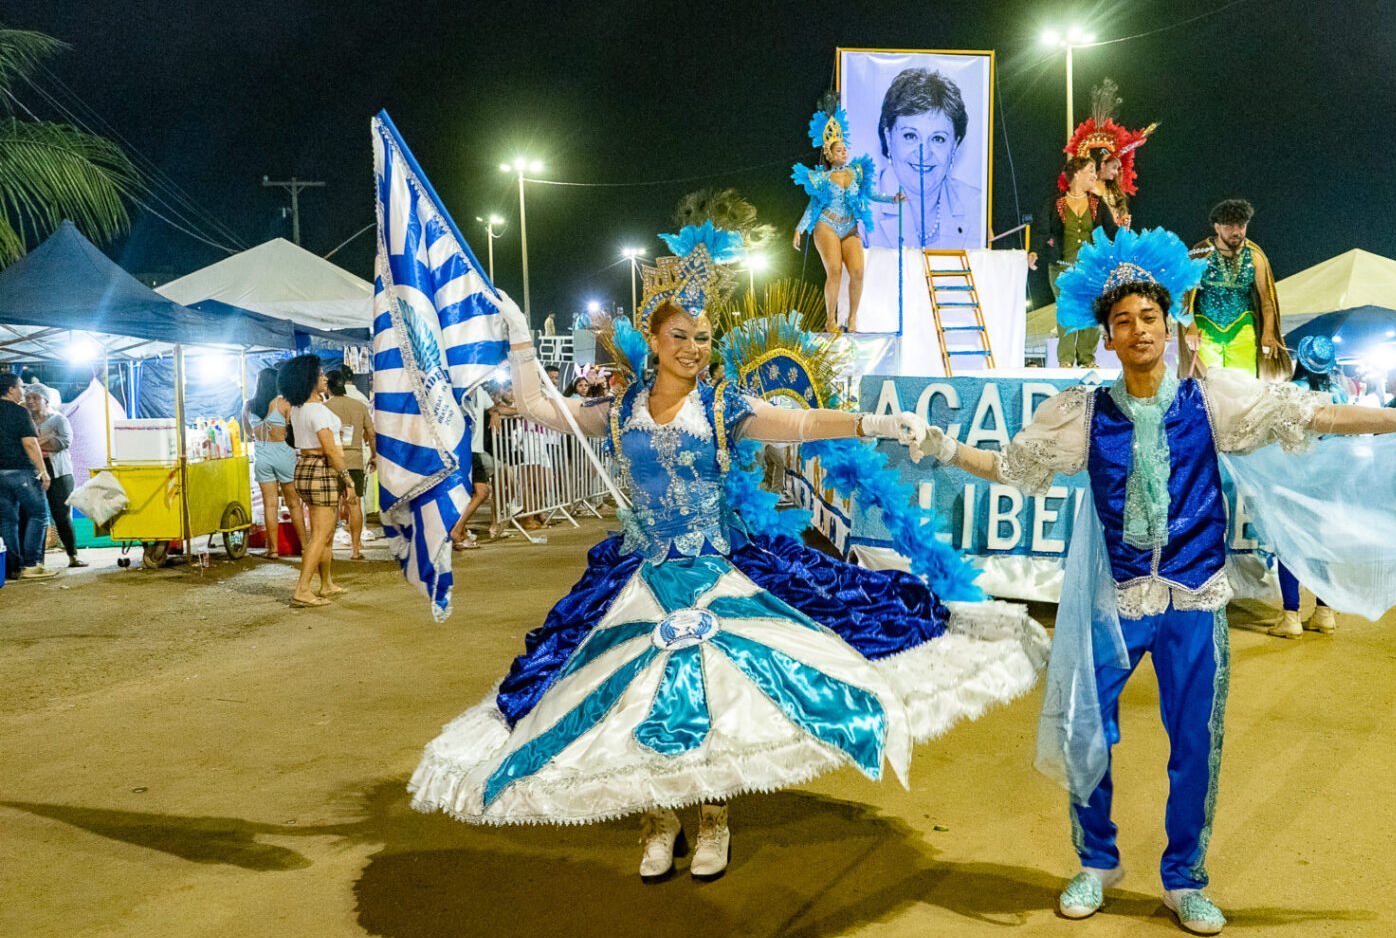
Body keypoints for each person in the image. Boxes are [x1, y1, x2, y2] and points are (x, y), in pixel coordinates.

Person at [901, 226, 1396, 935]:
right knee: (1084, 730)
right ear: (1108, 337)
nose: (1139, 330)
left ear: (1169, 327)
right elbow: (1012, 468)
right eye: (1124, 321)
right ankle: (1097, 862)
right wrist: (945, 445)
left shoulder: (1212, 398)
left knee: (1194, 742)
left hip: (1195, 601)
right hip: (1115, 602)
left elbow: (1316, 414)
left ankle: (1184, 878)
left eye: (1149, 317)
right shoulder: (1082, 413)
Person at [409, 223, 1045, 883]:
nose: (693, 348)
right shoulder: (619, 408)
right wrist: (519, 336)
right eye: (680, 336)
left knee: (714, 689)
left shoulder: (721, 405)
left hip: (718, 566)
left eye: (703, 337)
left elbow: (800, 423)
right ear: (654, 339)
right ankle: (659, 818)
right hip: (638, 572)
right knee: (630, 695)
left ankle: (714, 816)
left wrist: (875, 422)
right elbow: (539, 406)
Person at [791, 93, 904, 333]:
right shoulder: (821, 178)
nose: (844, 152)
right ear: (829, 154)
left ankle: (852, 319)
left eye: (845, 149)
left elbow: (871, 194)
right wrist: (799, 228)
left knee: (858, 272)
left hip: (850, 227)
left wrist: (893, 199)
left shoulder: (857, 172)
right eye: (839, 150)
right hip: (827, 225)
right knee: (835, 271)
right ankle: (830, 320)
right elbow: (813, 206)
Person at [1267, 336, 1347, 638]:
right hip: (1329, 478)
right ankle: (1324, 613)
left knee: (1288, 543)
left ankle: (1291, 615)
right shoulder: (1339, 393)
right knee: (1320, 543)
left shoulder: (1290, 392)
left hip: (1294, 476)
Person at [866, 68, 981, 249]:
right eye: (910, 136)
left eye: (938, 139)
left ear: (954, 145)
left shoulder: (976, 206)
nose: (924, 153)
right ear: (888, 137)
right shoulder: (860, 206)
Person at [280, 355, 356, 607]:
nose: (325, 378)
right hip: (322, 470)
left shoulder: (299, 408)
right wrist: (347, 479)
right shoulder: (317, 410)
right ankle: (303, 589)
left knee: (325, 532)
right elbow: (330, 449)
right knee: (321, 534)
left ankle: (326, 584)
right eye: (320, 374)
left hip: (305, 467)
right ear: (309, 379)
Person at [1030, 156, 1119, 368]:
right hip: (1062, 267)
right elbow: (1042, 231)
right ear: (1077, 174)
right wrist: (1033, 251)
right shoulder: (1056, 203)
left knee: (1091, 311)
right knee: (1067, 309)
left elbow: (1112, 231)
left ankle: (1087, 358)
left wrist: (1131, 244)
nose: (1095, 175)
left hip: (1091, 269)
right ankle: (1066, 359)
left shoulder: (1097, 204)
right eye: (1091, 170)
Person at [1182, 199, 1285, 378]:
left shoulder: (1256, 256)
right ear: (1217, 227)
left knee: (1244, 384)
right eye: (1229, 226)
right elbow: (1184, 294)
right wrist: (1190, 326)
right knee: (1210, 385)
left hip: (1243, 329)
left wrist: (1268, 333)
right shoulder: (1200, 253)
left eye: (1242, 226)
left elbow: (1267, 300)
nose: (1236, 232)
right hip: (1204, 330)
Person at [1065, 78, 1157, 228]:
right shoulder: (1087, 188)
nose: (1115, 173)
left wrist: (1124, 223)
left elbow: (1121, 219)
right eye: (1114, 167)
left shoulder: (1114, 191)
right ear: (1102, 164)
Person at [244, 367, 309, 560]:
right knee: (293, 503)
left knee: (269, 505)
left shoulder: (248, 405)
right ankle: (305, 547)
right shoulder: (284, 403)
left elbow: (248, 432)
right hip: (284, 455)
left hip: (262, 456)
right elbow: (293, 429)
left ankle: (273, 550)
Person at [0, 371, 56, 581]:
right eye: (21, 387)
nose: (22, 391)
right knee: (39, 514)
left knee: (7, 520)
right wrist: (43, 472)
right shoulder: (19, 412)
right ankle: (31, 564)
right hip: (21, 471)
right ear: (11, 389)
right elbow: (30, 444)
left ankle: (12, 567)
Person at [23, 383, 84, 568]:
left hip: (60, 472)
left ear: (46, 400)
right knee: (37, 517)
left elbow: (63, 443)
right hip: (35, 473)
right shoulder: (25, 421)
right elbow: (22, 445)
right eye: (28, 398)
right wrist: (48, 437)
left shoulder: (58, 420)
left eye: (35, 398)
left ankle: (73, 556)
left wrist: (34, 444)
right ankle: (37, 561)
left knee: (62, 515)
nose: (31, 401)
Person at [325, 370, 375, 561]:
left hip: (331, 462)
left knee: (331, 507)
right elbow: (371, 434)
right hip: (355, 461)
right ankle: (355, 549)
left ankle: (328, 550)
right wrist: (374, 456)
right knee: (355, 504)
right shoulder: (359, 405)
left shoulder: (324, 408)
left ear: (328, 387)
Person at [450, 382, 493, 550]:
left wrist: (495, 412)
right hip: (462, 450)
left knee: (477, 493)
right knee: (480, 492)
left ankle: (460, 531)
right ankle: (458, 531)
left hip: (473, 450)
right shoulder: (456, 391)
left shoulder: (481, 391)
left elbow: (493, 407)